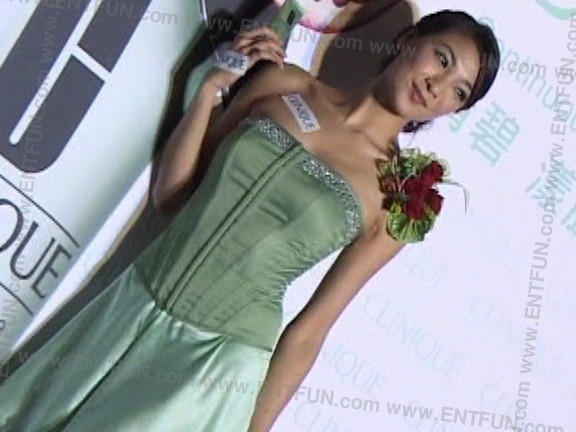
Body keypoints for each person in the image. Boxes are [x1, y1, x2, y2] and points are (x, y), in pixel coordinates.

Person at [0, 9, 500, 432]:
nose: (437, 87)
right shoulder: (284, 83)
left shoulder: (397, 200)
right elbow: (173, 201)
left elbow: (310, 331)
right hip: (129, 304)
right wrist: (206, 92)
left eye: (459, 92)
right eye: (442, 58)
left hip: (212, 366)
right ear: (409, 40)